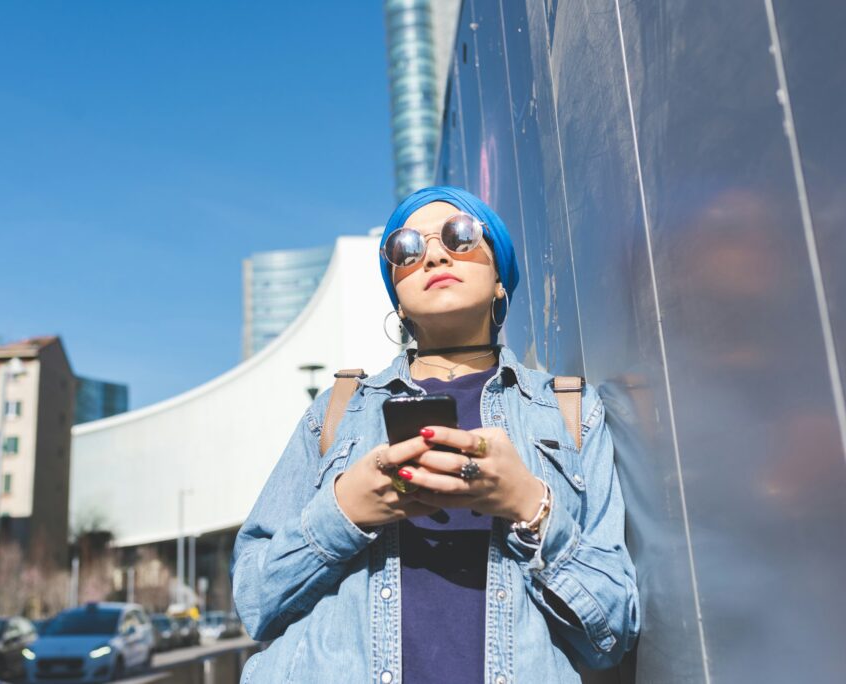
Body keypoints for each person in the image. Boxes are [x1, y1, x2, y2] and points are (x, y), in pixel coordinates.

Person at [231, 186, 640, 683]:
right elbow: (254, 600)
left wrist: (531, 507)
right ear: (397, 301)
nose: (436, 255)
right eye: (406, 248)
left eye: (460, 235)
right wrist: (343, 513)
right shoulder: (338, 410)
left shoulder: (569, 409)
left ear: (499, 281)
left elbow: (614, 634)